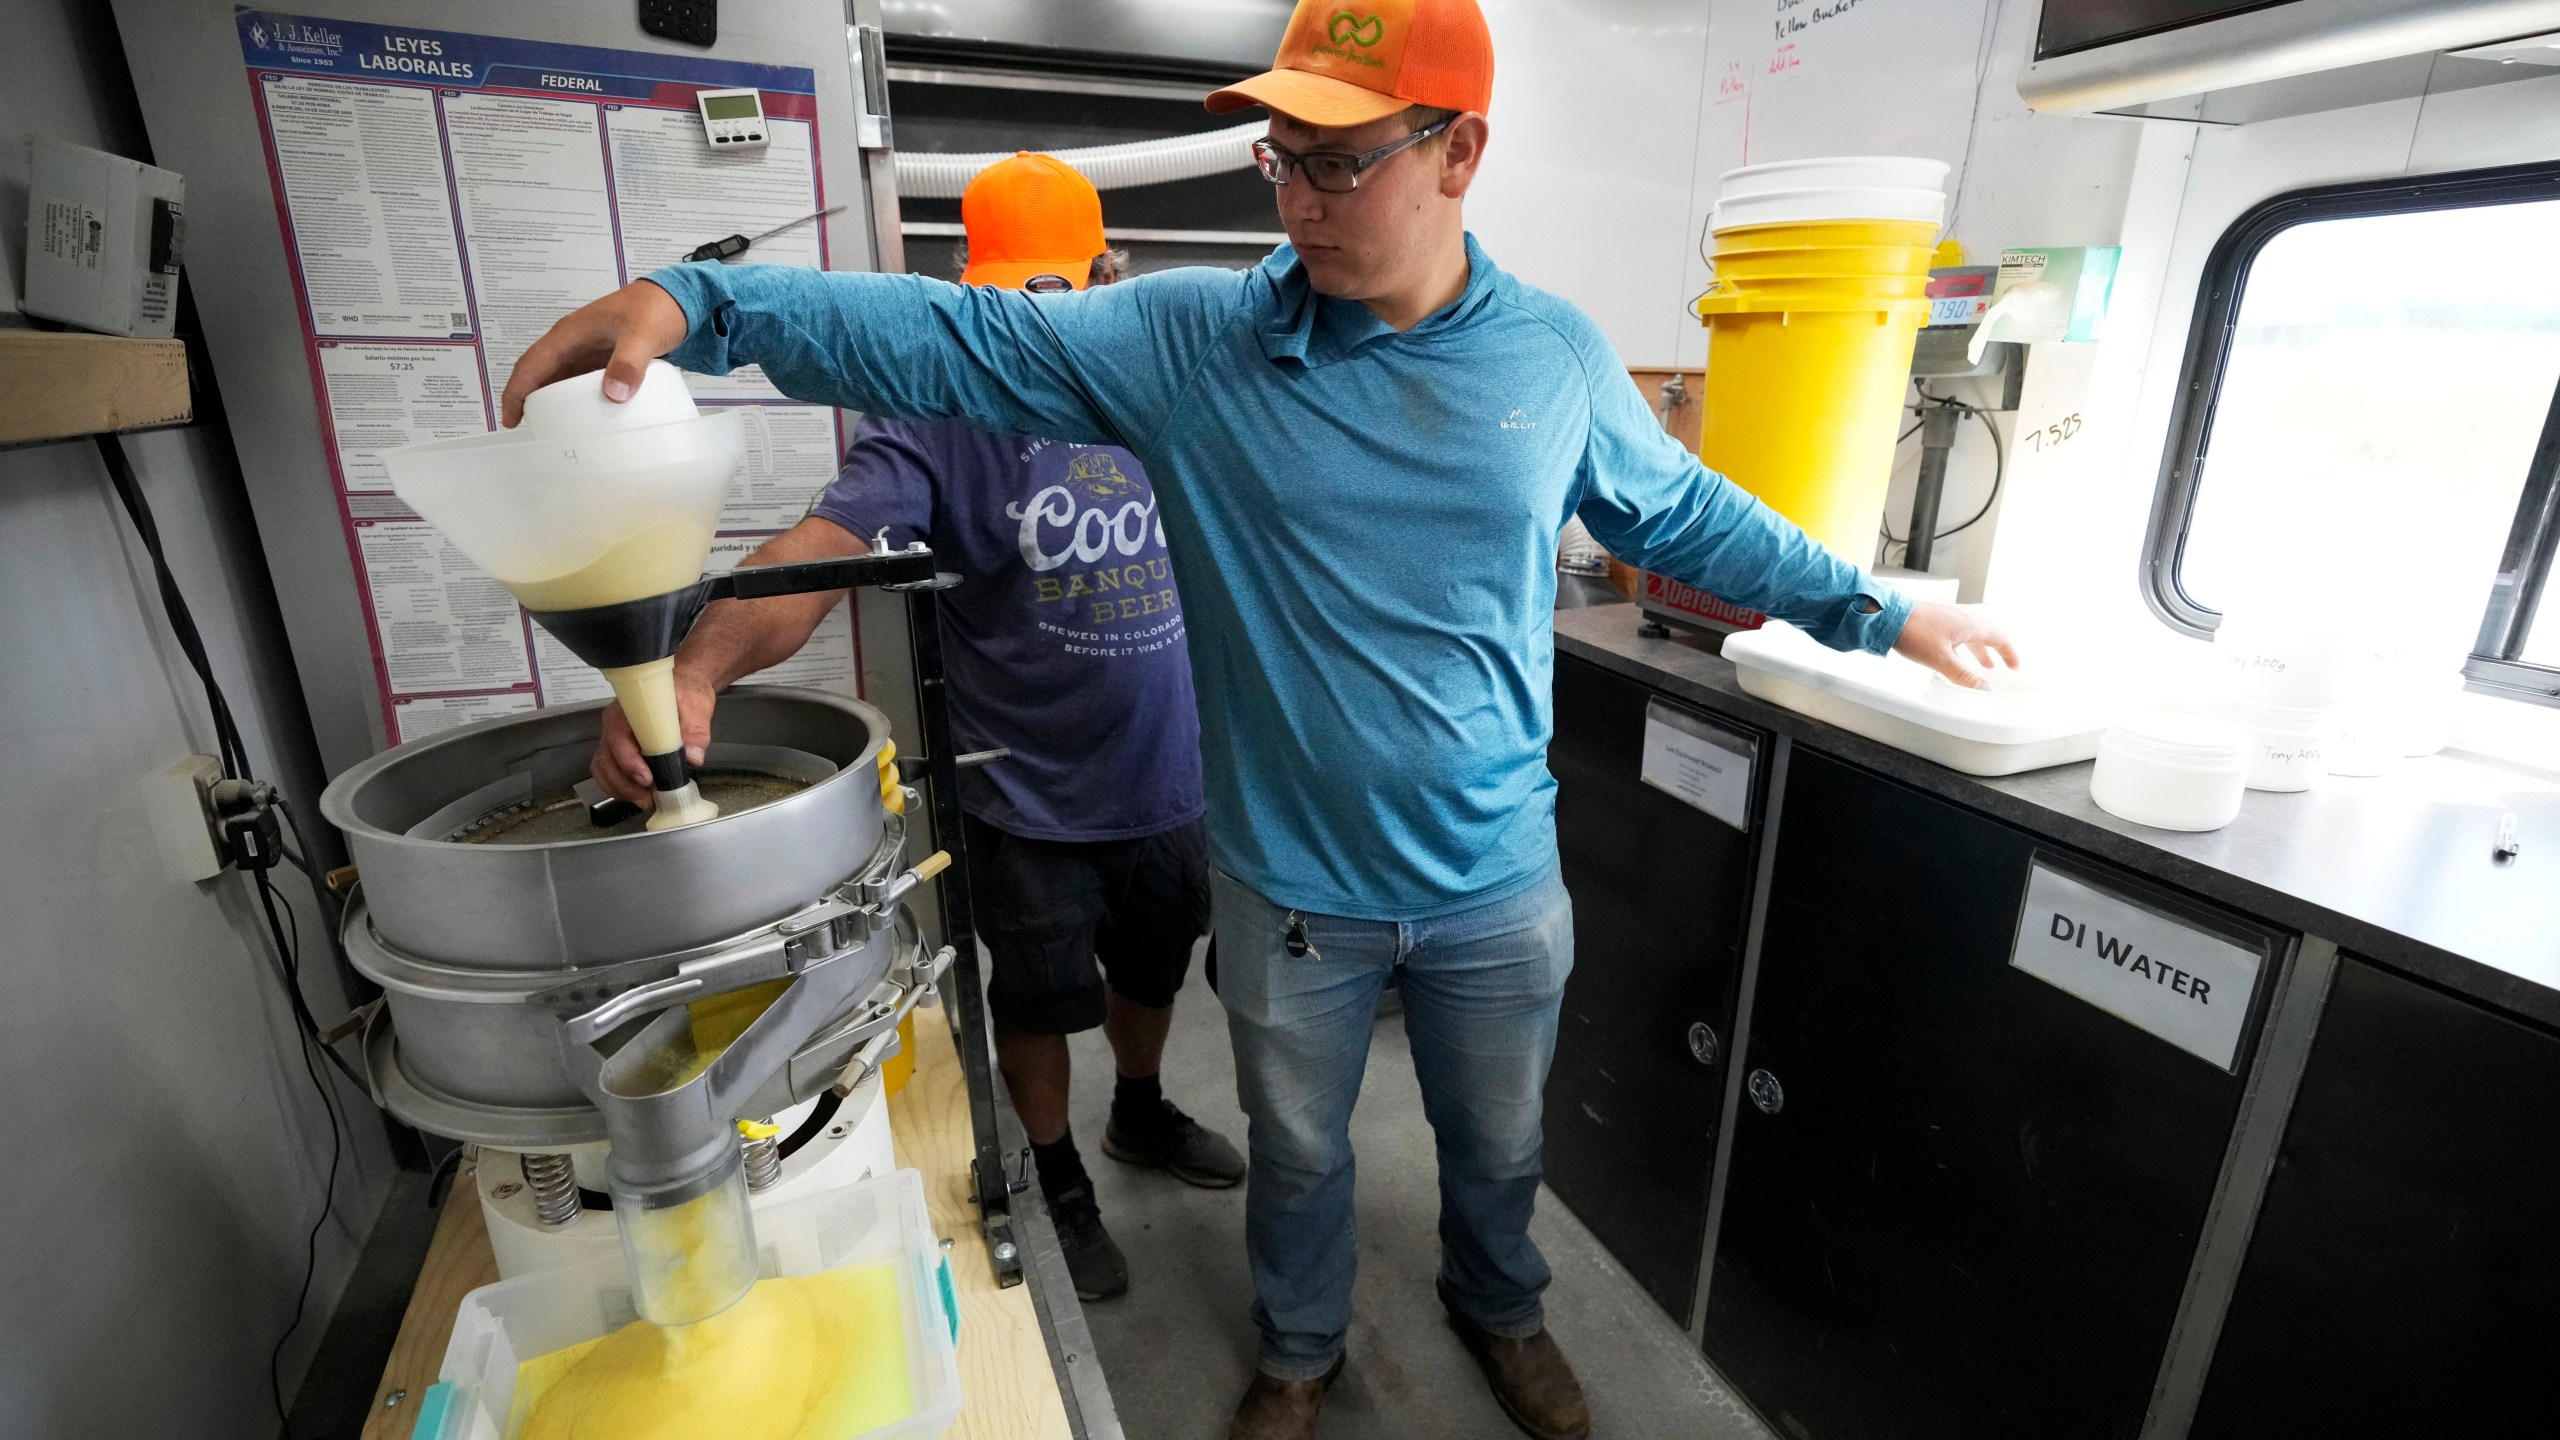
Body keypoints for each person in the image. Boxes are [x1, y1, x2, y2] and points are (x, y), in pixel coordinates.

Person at [510, 1, 2021, 1432]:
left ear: (1459, 153)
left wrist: (1887, 608)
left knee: (1498, 1149)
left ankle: (1500, 1303)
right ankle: (1299, 1354)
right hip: (1294, 891)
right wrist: (700, 301)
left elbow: (1690, 514)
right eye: (1280, 158)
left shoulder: (1554, 360)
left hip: (1496, 882)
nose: (1298, 201)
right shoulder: (1196, 345)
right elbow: (941, 340)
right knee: (1301, 1153)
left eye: (1341, 160)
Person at [585, 152, 1245, 1305]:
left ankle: (1139, 1110)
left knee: (1154, 968)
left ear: (1107, 272)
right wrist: (693, 673)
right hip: (1027, 799)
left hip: (1166, 783)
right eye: (1014, 291)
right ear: (970, 284)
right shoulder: (944, 409)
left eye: (1065, 288)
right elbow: (817, 551)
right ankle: (1056, 1174)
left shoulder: (1174, 389)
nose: (1044, 314)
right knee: (1035, 1003)